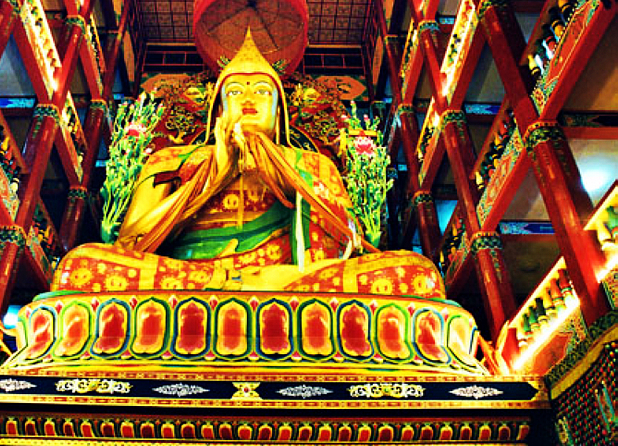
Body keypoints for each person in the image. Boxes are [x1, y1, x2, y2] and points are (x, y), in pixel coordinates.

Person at [53, 30, 445, 299]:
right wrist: (212, 177)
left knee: (418, 275)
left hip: (289, 283)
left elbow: (346, 246)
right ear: (218, 109)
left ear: (279, 113)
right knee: (80, 268)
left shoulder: (313, 164)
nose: (248, 98)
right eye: (235, 91)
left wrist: (285, 177)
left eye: (261, 91)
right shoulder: (171, 160)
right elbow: (129, 242)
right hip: (189, 279)